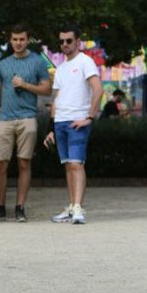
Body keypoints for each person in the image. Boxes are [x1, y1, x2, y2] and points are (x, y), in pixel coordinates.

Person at [0, 25, 51, 222]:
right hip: (5, 118)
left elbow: (47, 90)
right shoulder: (3, 64)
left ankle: (20, 207)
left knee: (24, 163)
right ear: (10, 40)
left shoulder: (38, 62)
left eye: (22, 39)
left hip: (27, 118)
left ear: (28, 39)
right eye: (15, 39)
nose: (18, 43)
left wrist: (25, 85)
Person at [43, 25, 103, 224]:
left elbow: (98, 90)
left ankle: (78, 208)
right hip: (60, 121)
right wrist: (50, 129)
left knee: (77, 164)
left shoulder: (86, 61)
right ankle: (70, 207)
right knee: (68, 165)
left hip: (78, 121)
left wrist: (89, 117)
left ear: (78, 41)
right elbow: (57, 98)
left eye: (69, 40)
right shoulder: (60, 68)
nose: (65, 44)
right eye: (62, 41)